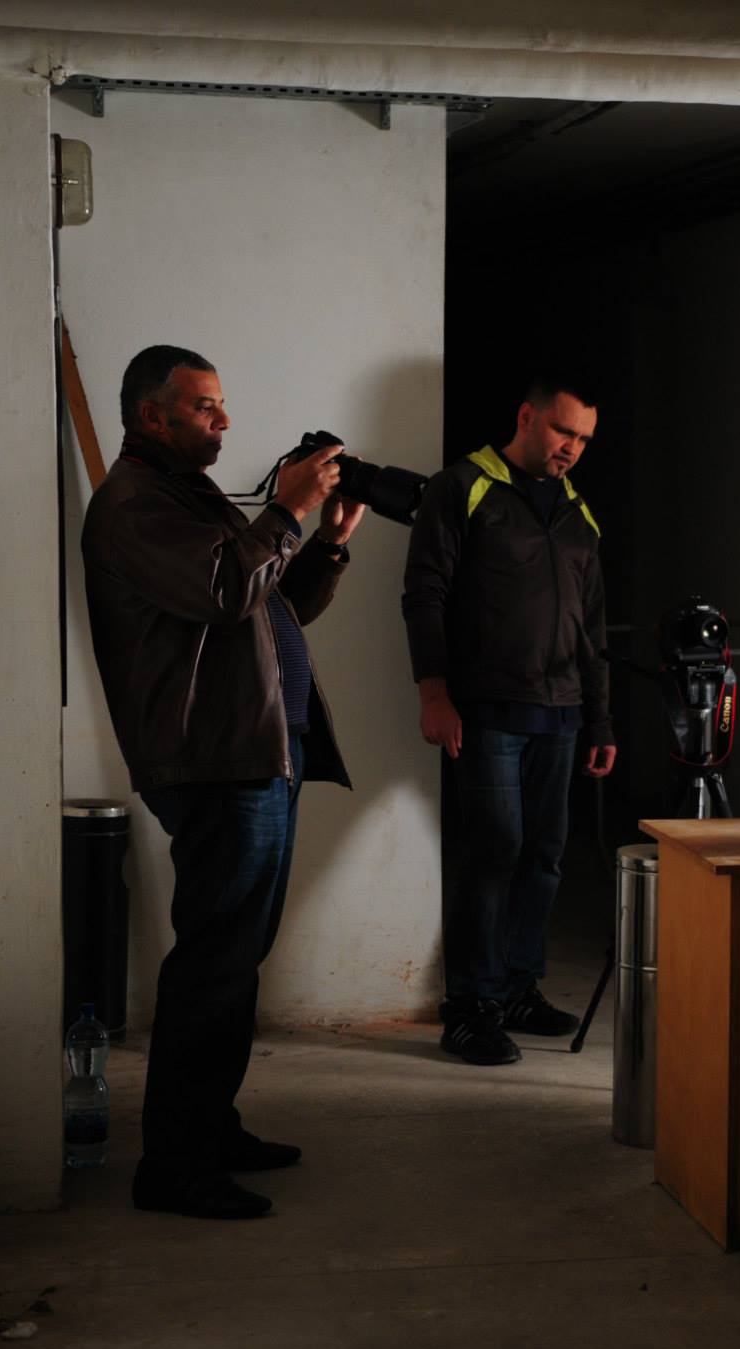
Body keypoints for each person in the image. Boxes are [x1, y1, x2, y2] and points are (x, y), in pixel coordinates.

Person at [81, 345, 366, 1219]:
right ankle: (172, 1165)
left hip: (254, 755)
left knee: (235, 958)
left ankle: (210, 1127)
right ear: (151, 414)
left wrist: (326, 542)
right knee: (213, 962)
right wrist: (285, 508)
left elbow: (269, 604)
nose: (225, 421)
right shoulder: (134, 504)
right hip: (216, 762)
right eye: (204, 407)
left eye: (221, 404)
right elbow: (221, 588)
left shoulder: (186, 494)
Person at [401, 379, 616, 1066]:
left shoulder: (579, 511)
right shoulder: (462, 487)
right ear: (526, 417)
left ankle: (519, 989)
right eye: (562, 431)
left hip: (562, 713)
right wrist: (434, 693)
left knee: (544, 855)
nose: (572, 448)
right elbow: (424, 592)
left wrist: (600, 720)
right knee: (493, 850)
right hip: (486, 709)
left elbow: (592, 629)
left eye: (583, 439)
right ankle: (470, 1008)